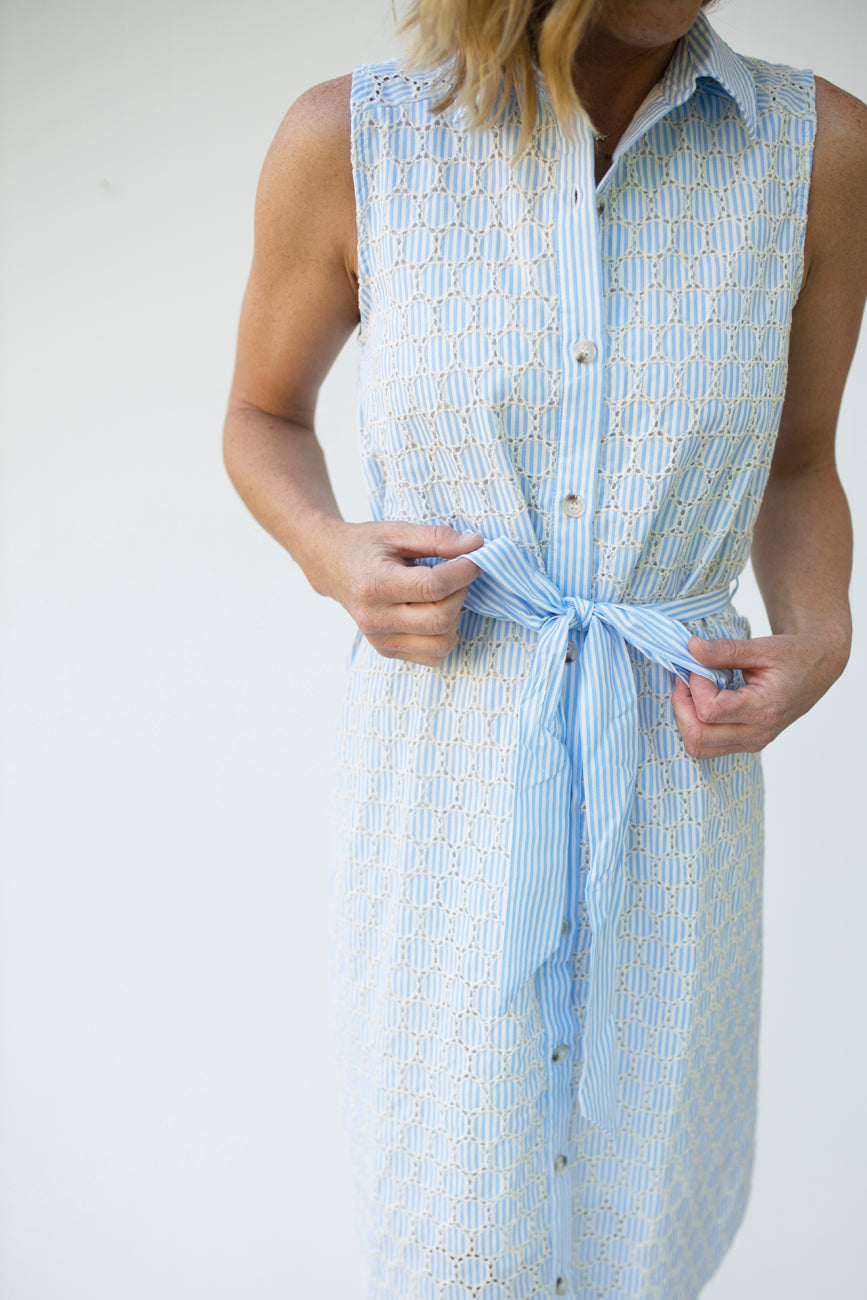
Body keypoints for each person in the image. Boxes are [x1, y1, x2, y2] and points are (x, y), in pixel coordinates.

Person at [222, 0, 866, 1295]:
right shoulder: (352, 142)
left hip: (675, 778)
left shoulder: (821, 151)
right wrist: (331, 552)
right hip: (446, 776)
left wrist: (822, 637)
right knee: (452, 1206)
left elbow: (797, 462)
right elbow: (260, 415)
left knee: (645, 1210)